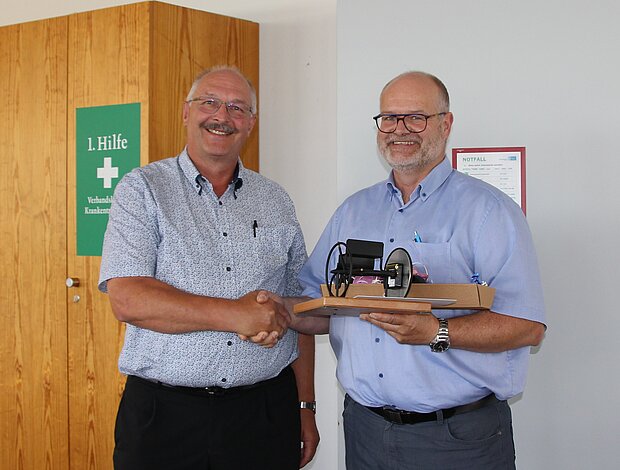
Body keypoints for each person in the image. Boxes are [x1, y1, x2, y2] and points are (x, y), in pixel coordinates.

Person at [295, 71, 546, 469]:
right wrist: (275, 311)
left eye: (416, 117)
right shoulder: (352, 212)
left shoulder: (489, 212)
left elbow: (527, 326)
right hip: (365, 432)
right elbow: (317, 307)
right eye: (389, 118)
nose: (399, 130)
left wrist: (435, 331)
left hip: (458, 439)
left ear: (446, 124)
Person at [99, 66, 319, 470]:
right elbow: (127, 298)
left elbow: (298, 310)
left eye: (237, 108)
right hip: (163, 418)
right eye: (210, 102)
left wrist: (306, 405)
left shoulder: (276, 201)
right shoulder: (142, 189)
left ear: (250, 123)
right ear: (187, 112)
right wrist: (237, 315)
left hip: (263, 415)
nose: (222, 116)